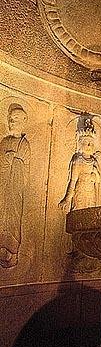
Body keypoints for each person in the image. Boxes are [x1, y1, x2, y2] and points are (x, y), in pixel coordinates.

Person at [0, 104, 30, 268]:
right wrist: (7, 159)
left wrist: (16, 162)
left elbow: (26, 169)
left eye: (17, 120)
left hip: (16, 188)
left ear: (24, 122)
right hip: (4, 184)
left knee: (14, 216)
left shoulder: (24, 144)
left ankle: (12, 250)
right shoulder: (5, 142)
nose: (12, 122)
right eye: (11, 120)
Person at [59, 132, 101, 211]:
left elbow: (98, 181)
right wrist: (67, 199)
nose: (89, 145)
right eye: (86, 142)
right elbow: (73, 181)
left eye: (91, 143)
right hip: (80, 191)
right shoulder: (78, 160)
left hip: (91, 193)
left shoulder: (94, 162)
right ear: (80, 144)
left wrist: (95, 172)